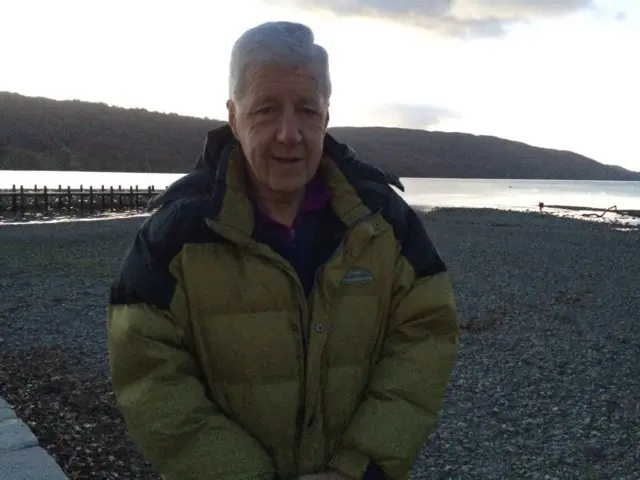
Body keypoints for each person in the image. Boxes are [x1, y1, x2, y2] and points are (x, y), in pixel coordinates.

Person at [107, 20, 460, 480]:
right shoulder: (176, 237)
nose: (289, 134)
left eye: (307, 111)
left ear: (326, 118)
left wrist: (359, 466)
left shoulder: (384, 223)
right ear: (234, 118)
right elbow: (150, 374)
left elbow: (426, 338)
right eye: (267, 110)